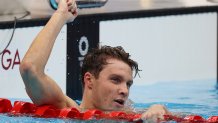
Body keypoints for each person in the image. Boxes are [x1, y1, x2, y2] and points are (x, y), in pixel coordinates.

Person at [19, 0, 171, 121]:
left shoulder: (130, 115)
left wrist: (159, 108)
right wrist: (61, 15)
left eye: (128, 84)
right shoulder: (65, 110)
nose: (125, 91)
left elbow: (171, 114)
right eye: (115, 80)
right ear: (89, 80)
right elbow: (30, 69)